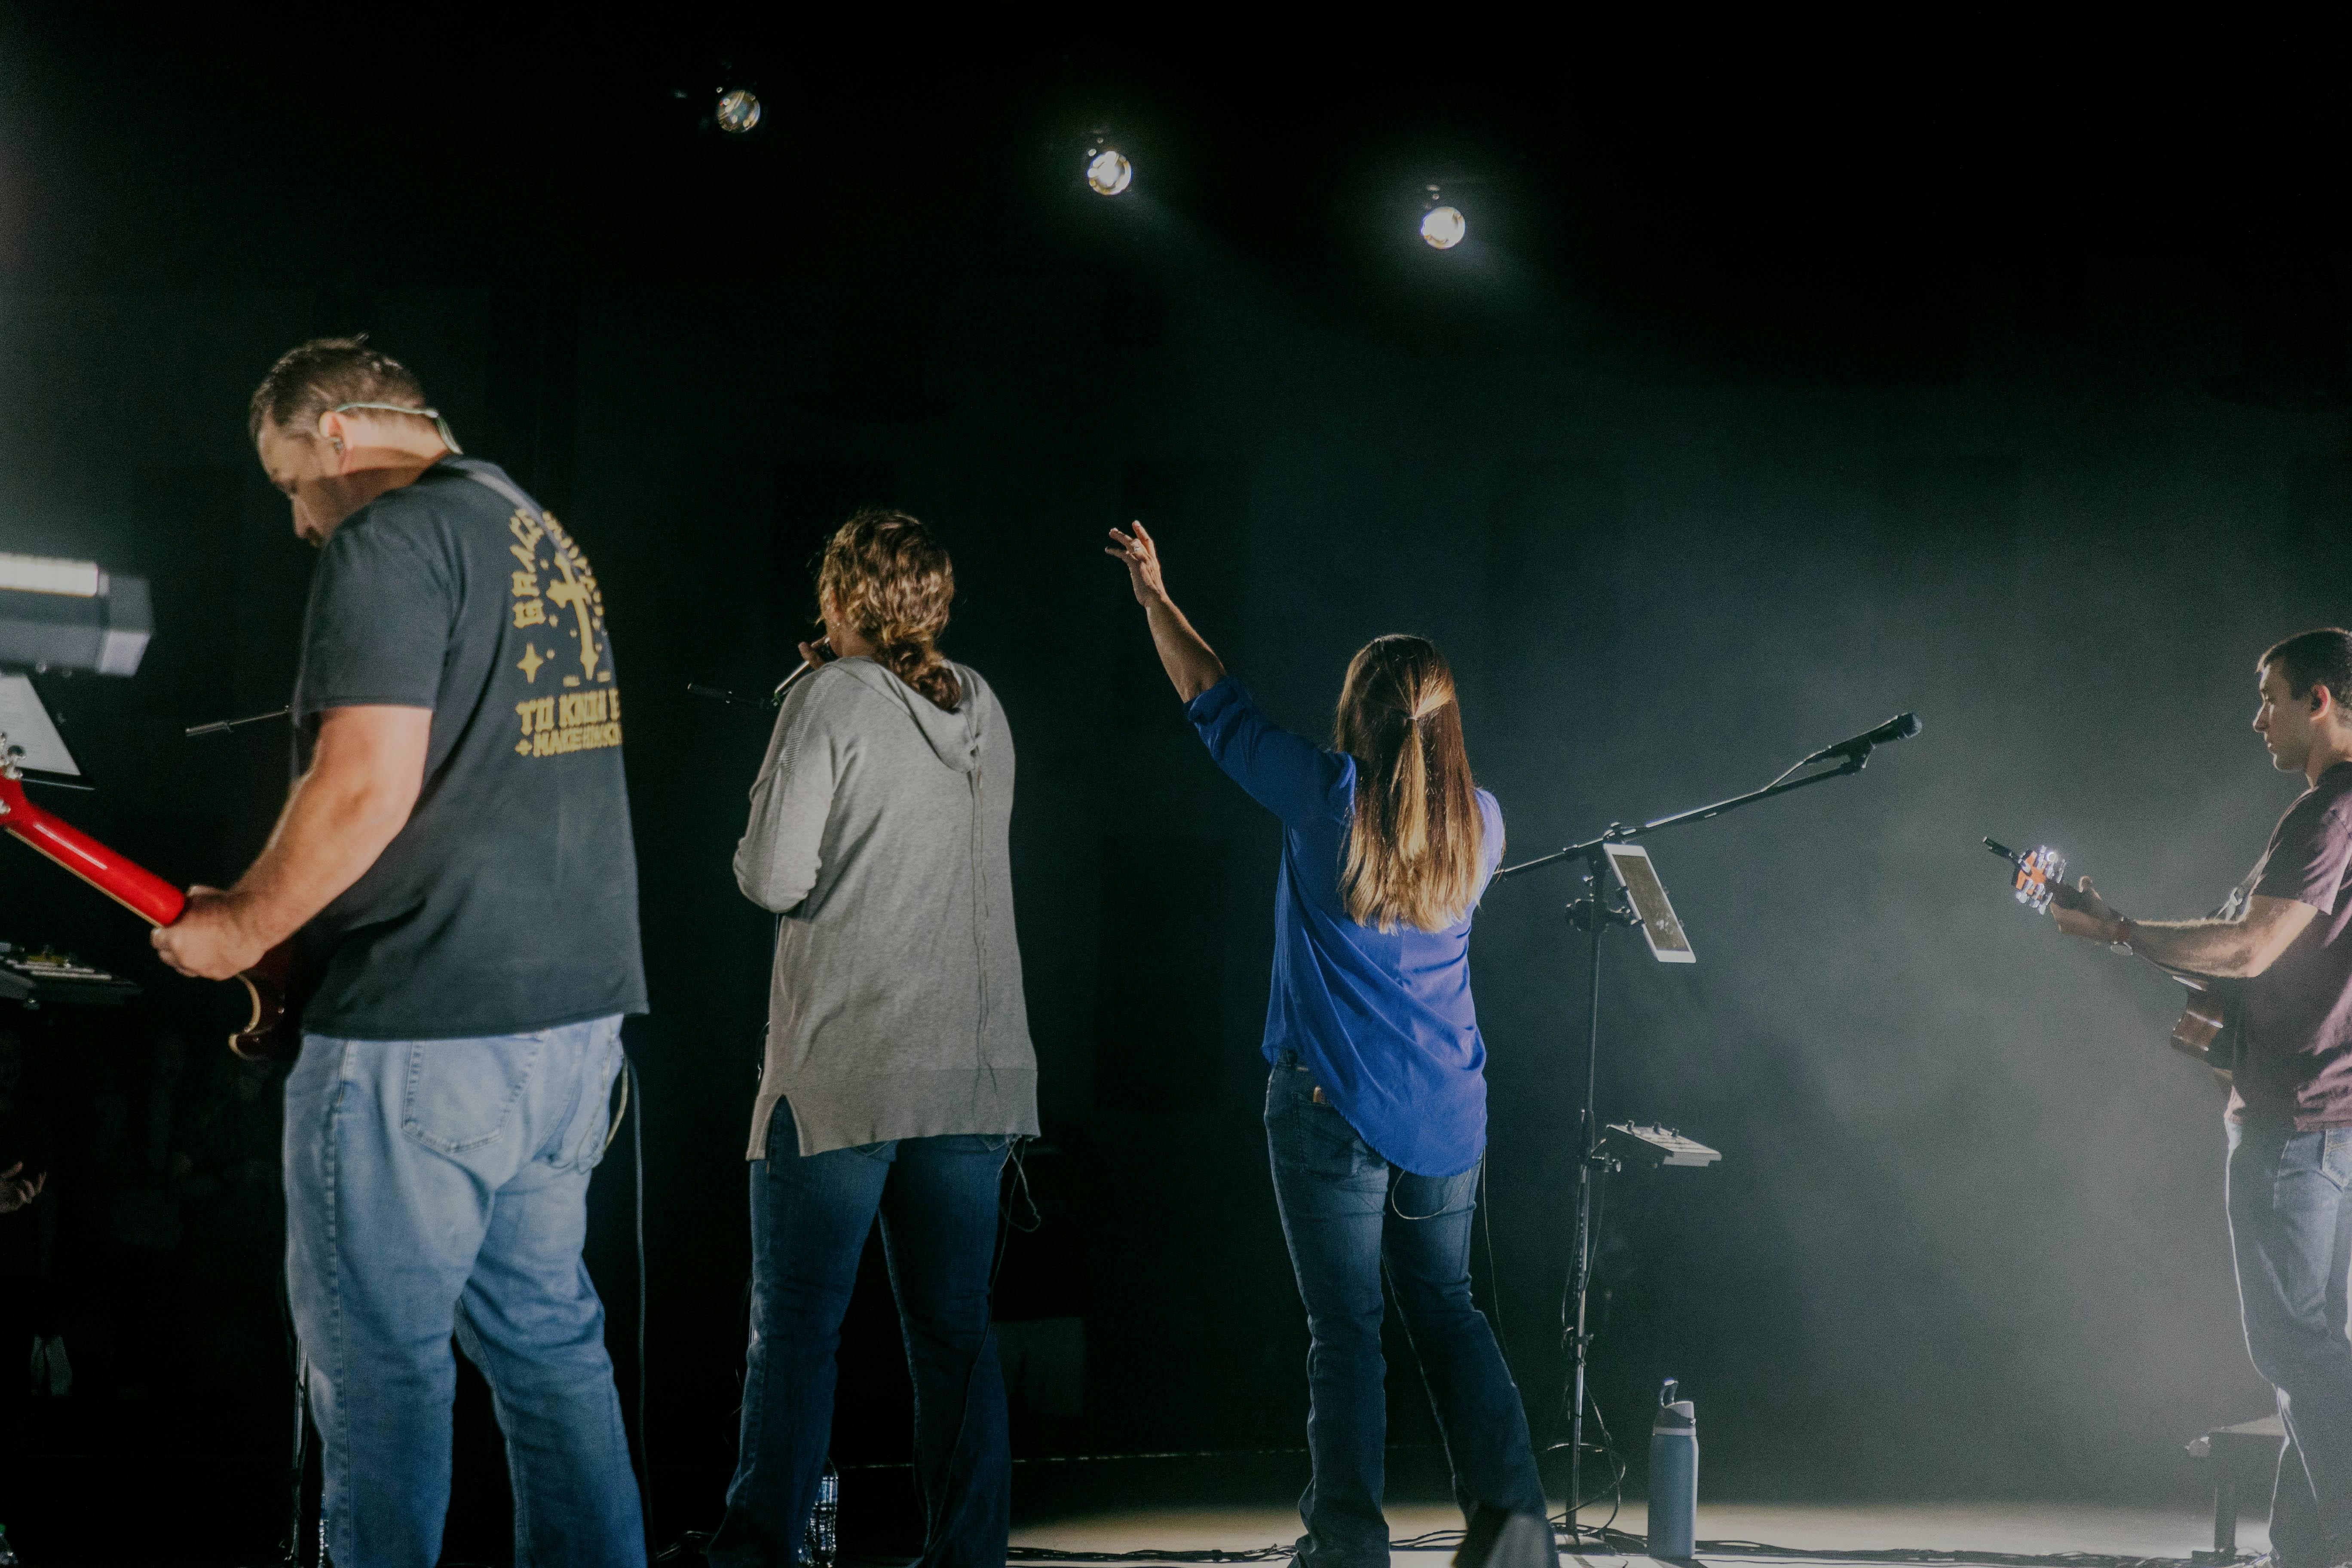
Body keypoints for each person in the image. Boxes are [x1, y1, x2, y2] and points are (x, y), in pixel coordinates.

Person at [151, 337, 648, 1568]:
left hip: (426, 1032)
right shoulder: (533, 528)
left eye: (289, 486)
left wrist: (238, 930)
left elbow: (366, 785)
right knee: (547, 1349)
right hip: (572, 1029)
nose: (301, 523)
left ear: (332, 439)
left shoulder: (389, 539)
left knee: (376, 1376)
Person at [1105, 522, 1552, 1568]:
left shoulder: (1326, 801)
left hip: (1330, 1115)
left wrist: (1154, 597)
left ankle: (1348, 1550)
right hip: (1448, 1117)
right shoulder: (1484, 824)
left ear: (1359, 716)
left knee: (1345, 1335)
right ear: (1446, 727)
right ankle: (1518, 1533)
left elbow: (1214, 703)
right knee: (1449, 1314)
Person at [712, 511, 1038, 1568]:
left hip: (847, 1072)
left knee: (799, 1330)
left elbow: (771, 877)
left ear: (842, 597)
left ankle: (762, 1554)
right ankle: (968, 1557)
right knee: (953, 1338)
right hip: (973, 1077)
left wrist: (803, 699)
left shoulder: (824, 700)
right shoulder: (981, 704)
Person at [2050, 628, 2352, 1568]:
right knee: (2321, 1355)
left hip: (2296, 1123)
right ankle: (2307, 1552)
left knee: (2295, 1352)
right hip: (2336, 1116)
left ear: (2322, 702)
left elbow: (2251, 949)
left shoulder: (2326, 814)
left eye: (2269, 696)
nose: (2255, 717)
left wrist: (2121, 930)